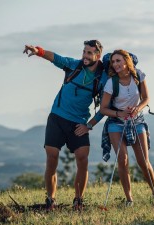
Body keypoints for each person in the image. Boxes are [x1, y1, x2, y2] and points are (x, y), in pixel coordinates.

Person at [23, 40, 107, 211]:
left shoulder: (103, 77)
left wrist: (89, 125)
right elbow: (56, 58)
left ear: (97, 56)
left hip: (79, 123)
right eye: (84, 51)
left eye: (89, 53)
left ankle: (78, 200)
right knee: (52, 158)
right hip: (57, 118)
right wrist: (38, 50)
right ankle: (50, 200)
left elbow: (105, 107)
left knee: (83, 159)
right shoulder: (74, 66)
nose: (85, 55)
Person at [100, 49, 154, 206]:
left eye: (118, 61)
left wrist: (137, 109)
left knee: (143, 161)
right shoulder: (111, 82)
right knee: (123, 160)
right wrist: (119, 113)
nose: (116, 64)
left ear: (127, 61)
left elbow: (146, 98)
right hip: (116, 123)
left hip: (137, 121)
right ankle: (129, 199)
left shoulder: (138, 75)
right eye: (113, 62)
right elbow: (103, 108)